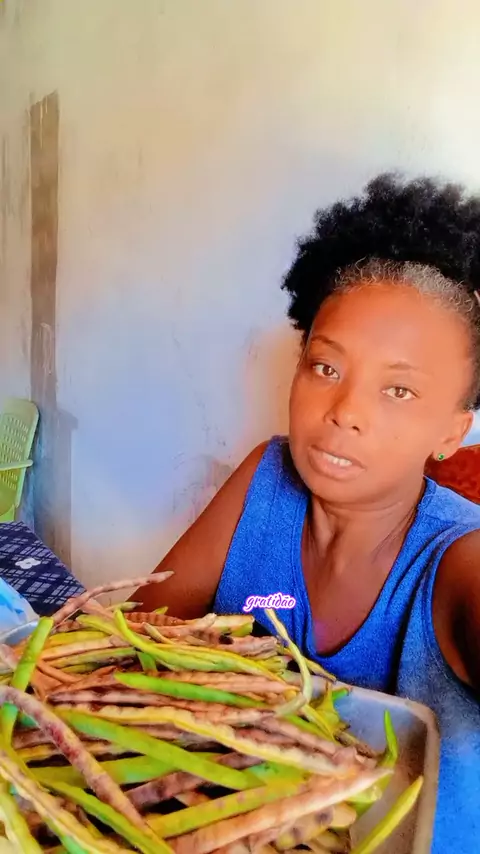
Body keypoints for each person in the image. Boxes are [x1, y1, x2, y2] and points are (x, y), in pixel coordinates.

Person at [135, 174, 480, 853]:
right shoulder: (265, 479)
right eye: (326, 368)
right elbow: (140, 636)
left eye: (399, 390)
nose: (345, 411)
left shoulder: (458, 560)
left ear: (452, 431)